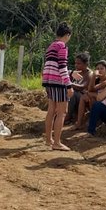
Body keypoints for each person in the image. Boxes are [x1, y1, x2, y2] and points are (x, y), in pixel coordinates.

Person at [42, 22, 72, 151]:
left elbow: (53, 64)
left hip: (48, 81)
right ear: (67, 35)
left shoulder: (51, 46)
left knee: (51, 111)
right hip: (58, 82)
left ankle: (49, 139)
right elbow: (62, 66)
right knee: (62, 112)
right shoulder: (62, 47)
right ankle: (57, 142)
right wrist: (68, 84)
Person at [65, 51, 93, 129]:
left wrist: (68, 83)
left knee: (72, 93)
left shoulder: (89, 74)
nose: (76, 65)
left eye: (79, 63)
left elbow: (82, 87)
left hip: (85, 99)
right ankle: (67, 114)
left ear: (86, 64)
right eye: (75, 63)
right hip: (77, 99)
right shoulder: (76, 72)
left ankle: (68, 116)